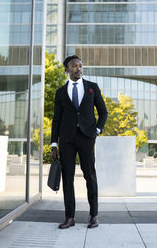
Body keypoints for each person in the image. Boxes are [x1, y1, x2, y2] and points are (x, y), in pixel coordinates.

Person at [51, 55, 107, 229]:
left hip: (86, 137)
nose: (78, 69)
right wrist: (54, 143)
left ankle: (93, 215)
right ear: (67, 70)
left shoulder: (92, 87)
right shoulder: (60, 92)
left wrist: (96, 131)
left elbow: (103, 112)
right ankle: (70, 217)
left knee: (90, 175)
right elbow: (56, 119)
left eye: (80, 66)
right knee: (67, 178)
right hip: (66, 139)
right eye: (74, 66)